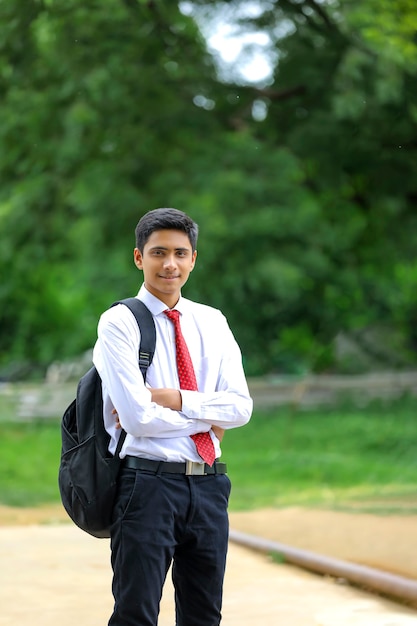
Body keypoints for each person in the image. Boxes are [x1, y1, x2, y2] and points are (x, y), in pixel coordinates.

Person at [93, 207, 253, 626]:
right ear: (138, 257)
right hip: (146, 485)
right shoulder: (119, 323)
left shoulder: (213, 322)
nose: (170, 264)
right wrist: (208, 414)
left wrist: (177, 399)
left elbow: (241, 408)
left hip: (210, 485)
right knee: (136, 613)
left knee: (204, 615)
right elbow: (138, 419)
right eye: (158, 252)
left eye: (181, 253)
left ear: (194, 258)